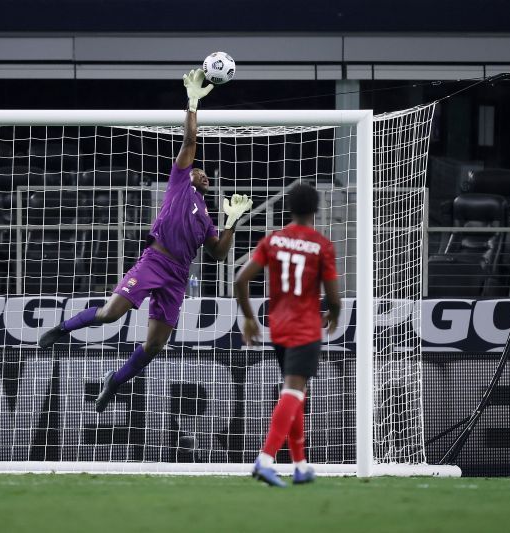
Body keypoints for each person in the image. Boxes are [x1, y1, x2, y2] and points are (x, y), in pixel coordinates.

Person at [38, 69, 253, 412]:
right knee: (110, 314)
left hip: (178, 276)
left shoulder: (206, 219)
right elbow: (189, 141)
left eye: (204, 171)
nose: (202, 171)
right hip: (154, 261)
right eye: (198, 168)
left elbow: (218, 254)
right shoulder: (179, 183)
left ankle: (115, 380)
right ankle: (61, 329)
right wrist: (193, 102)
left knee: (155, 345)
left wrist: (230, 222)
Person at [234, 183, 341, 487]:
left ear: (289, 208)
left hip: (278, 327)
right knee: (293, 392)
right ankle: (265, 460)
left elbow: (240, 279)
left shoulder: (273, 240)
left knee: (296, 392)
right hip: (305, 328)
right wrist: (334, 313)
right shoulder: (321, 245)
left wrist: (249, 320)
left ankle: (300, 465)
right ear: (316, 209)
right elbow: (333, 297)